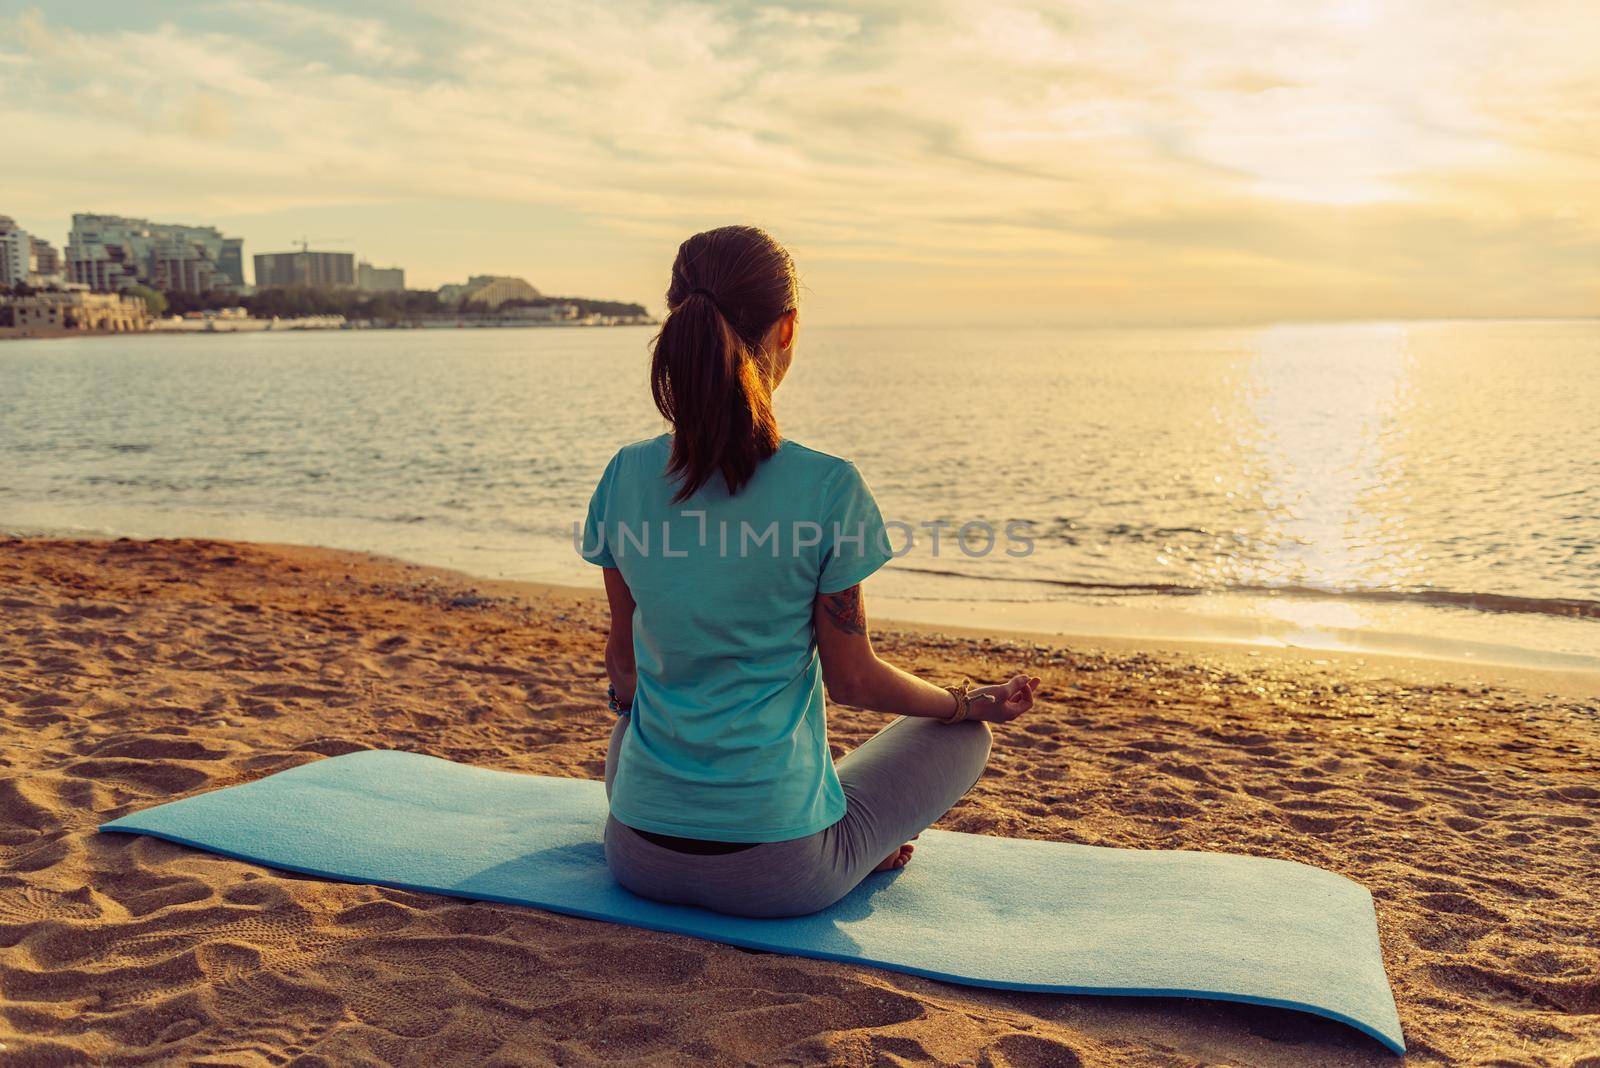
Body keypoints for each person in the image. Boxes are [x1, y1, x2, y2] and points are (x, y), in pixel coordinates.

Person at [580, 225, 1040, 918]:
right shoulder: (828, 488)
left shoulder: (625, 475)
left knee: (640, 722)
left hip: (638, 854)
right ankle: (858, 845)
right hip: (778, 875)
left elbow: (624, 667)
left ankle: (839, 833)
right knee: (964, 740)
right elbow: (853, 679)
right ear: (787, 329)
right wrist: (964, 702)